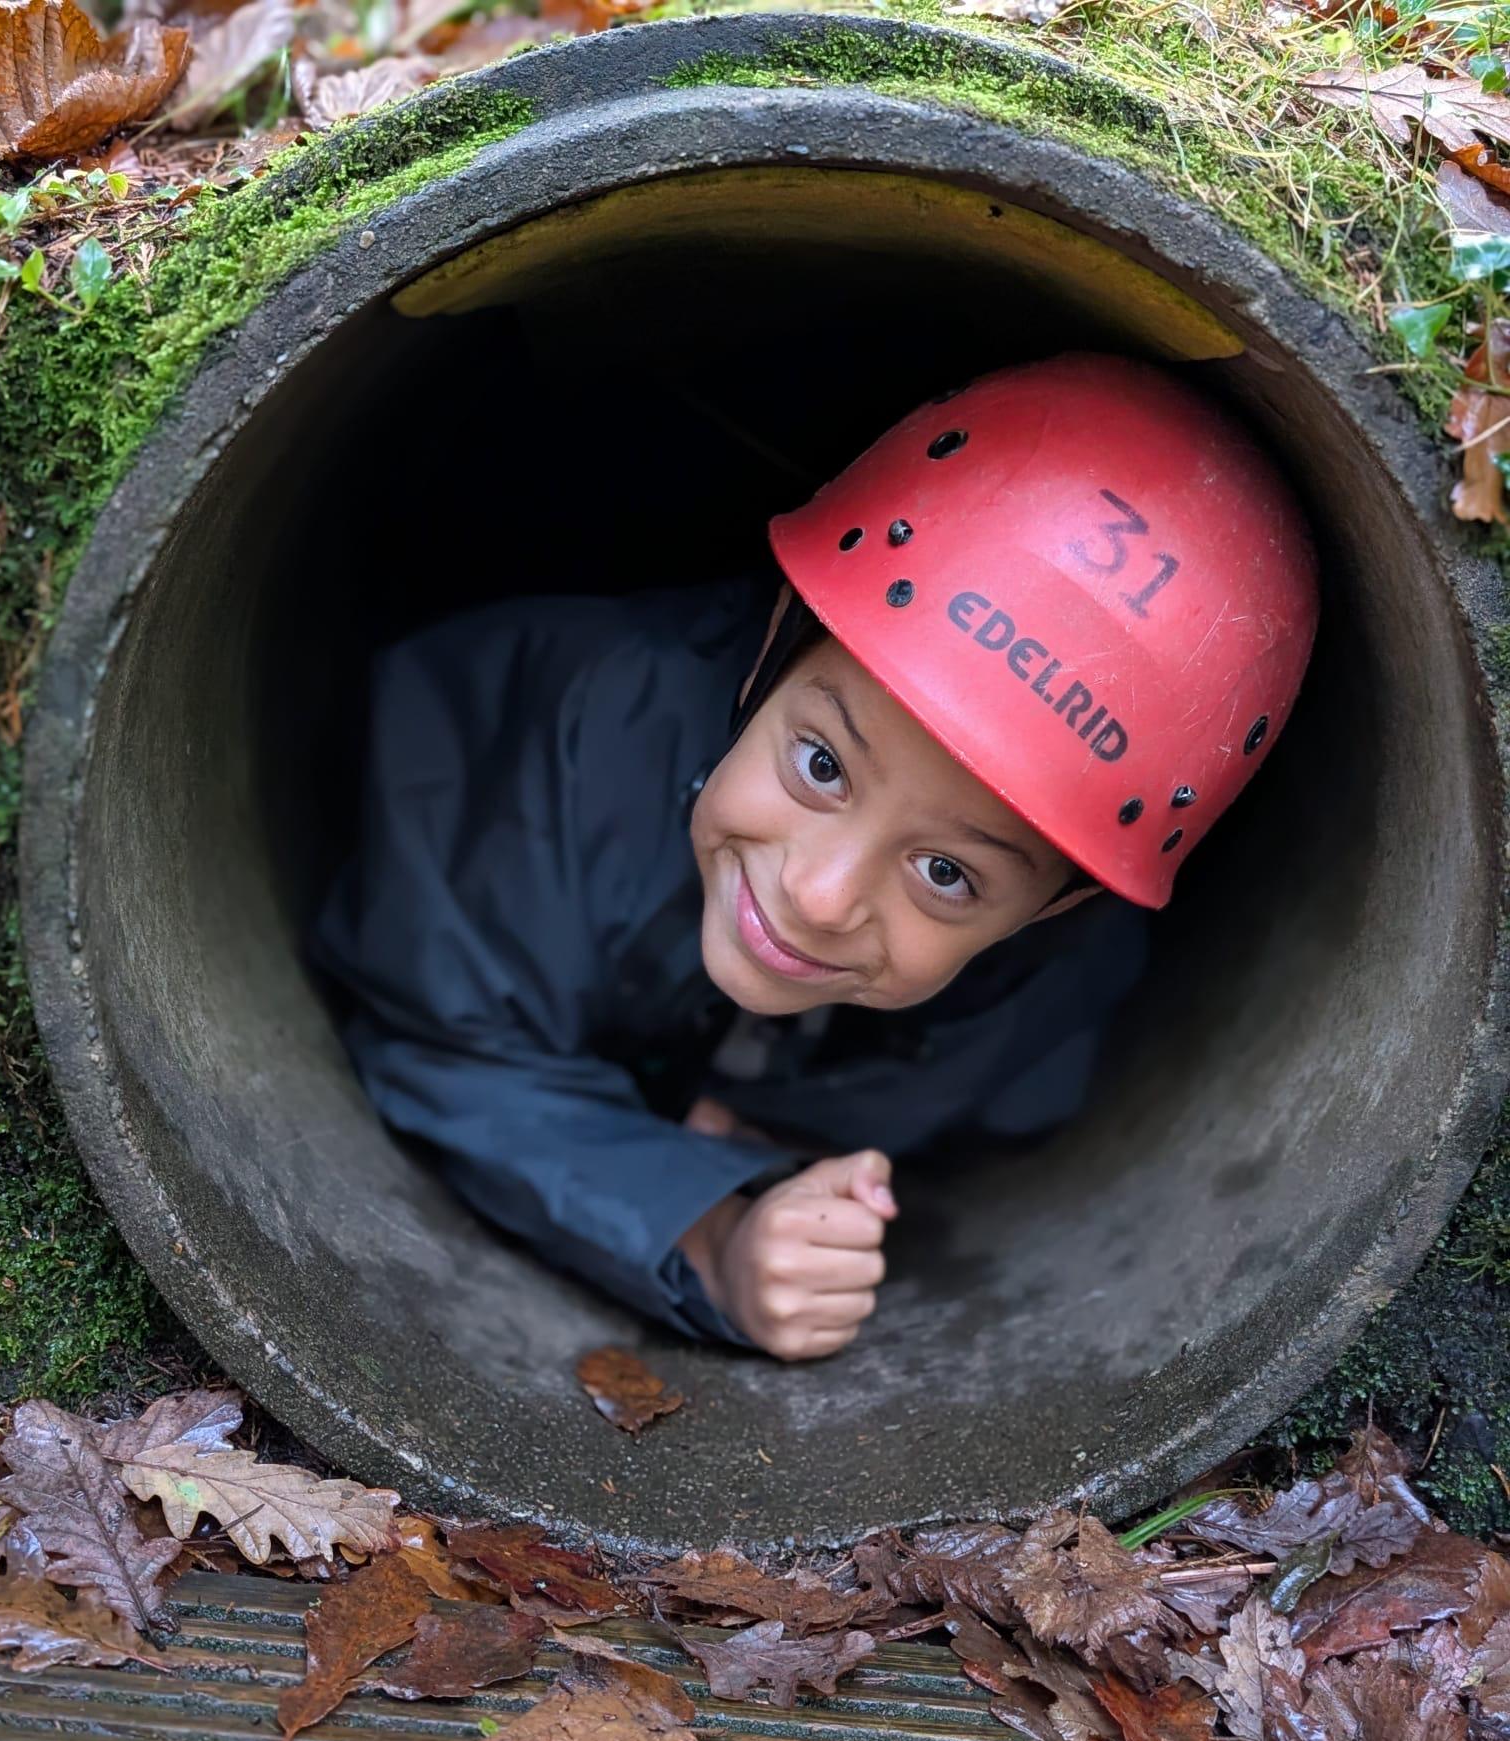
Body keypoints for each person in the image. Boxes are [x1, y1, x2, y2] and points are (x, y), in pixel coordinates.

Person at [309, 353, 1318, 1362]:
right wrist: (710, 1236)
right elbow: (442, 1044)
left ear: (1058, 907)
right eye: (822, 764)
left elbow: (999, 1089)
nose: (820, 894)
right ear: (771, 650)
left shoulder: (1056, 977)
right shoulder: (569, 737)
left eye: (947, 874)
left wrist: (775, 1134)